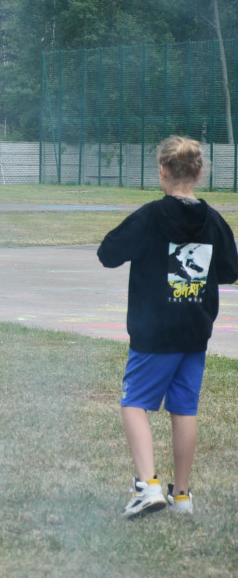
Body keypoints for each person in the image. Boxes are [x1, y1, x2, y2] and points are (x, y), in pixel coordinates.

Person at [97, 135, 238, 519]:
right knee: (184, 409)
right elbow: (230, 270)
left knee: (134, 402)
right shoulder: (214, 220)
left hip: (155, 333)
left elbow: (108, 253)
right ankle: (182, 496)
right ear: (199, 172)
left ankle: (148, 486)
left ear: (162, 171)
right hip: (194, 331)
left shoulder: (150, 216)